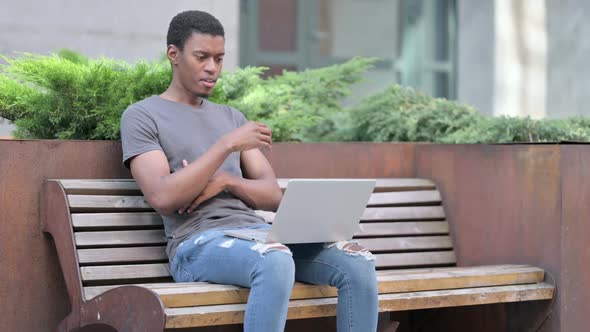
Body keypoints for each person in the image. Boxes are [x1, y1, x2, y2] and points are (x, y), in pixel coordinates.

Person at [120, 10, 378, 332]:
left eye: (219, 58)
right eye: (201, 57)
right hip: (196, 244)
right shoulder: (143, 116)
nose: (212, 68)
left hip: (258, 237)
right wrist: (226, 146)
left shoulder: (232, 117)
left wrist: (225, 180)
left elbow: (271, 195)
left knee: (357, 261)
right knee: (273, 259)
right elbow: (162, 195)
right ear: (174, 54)